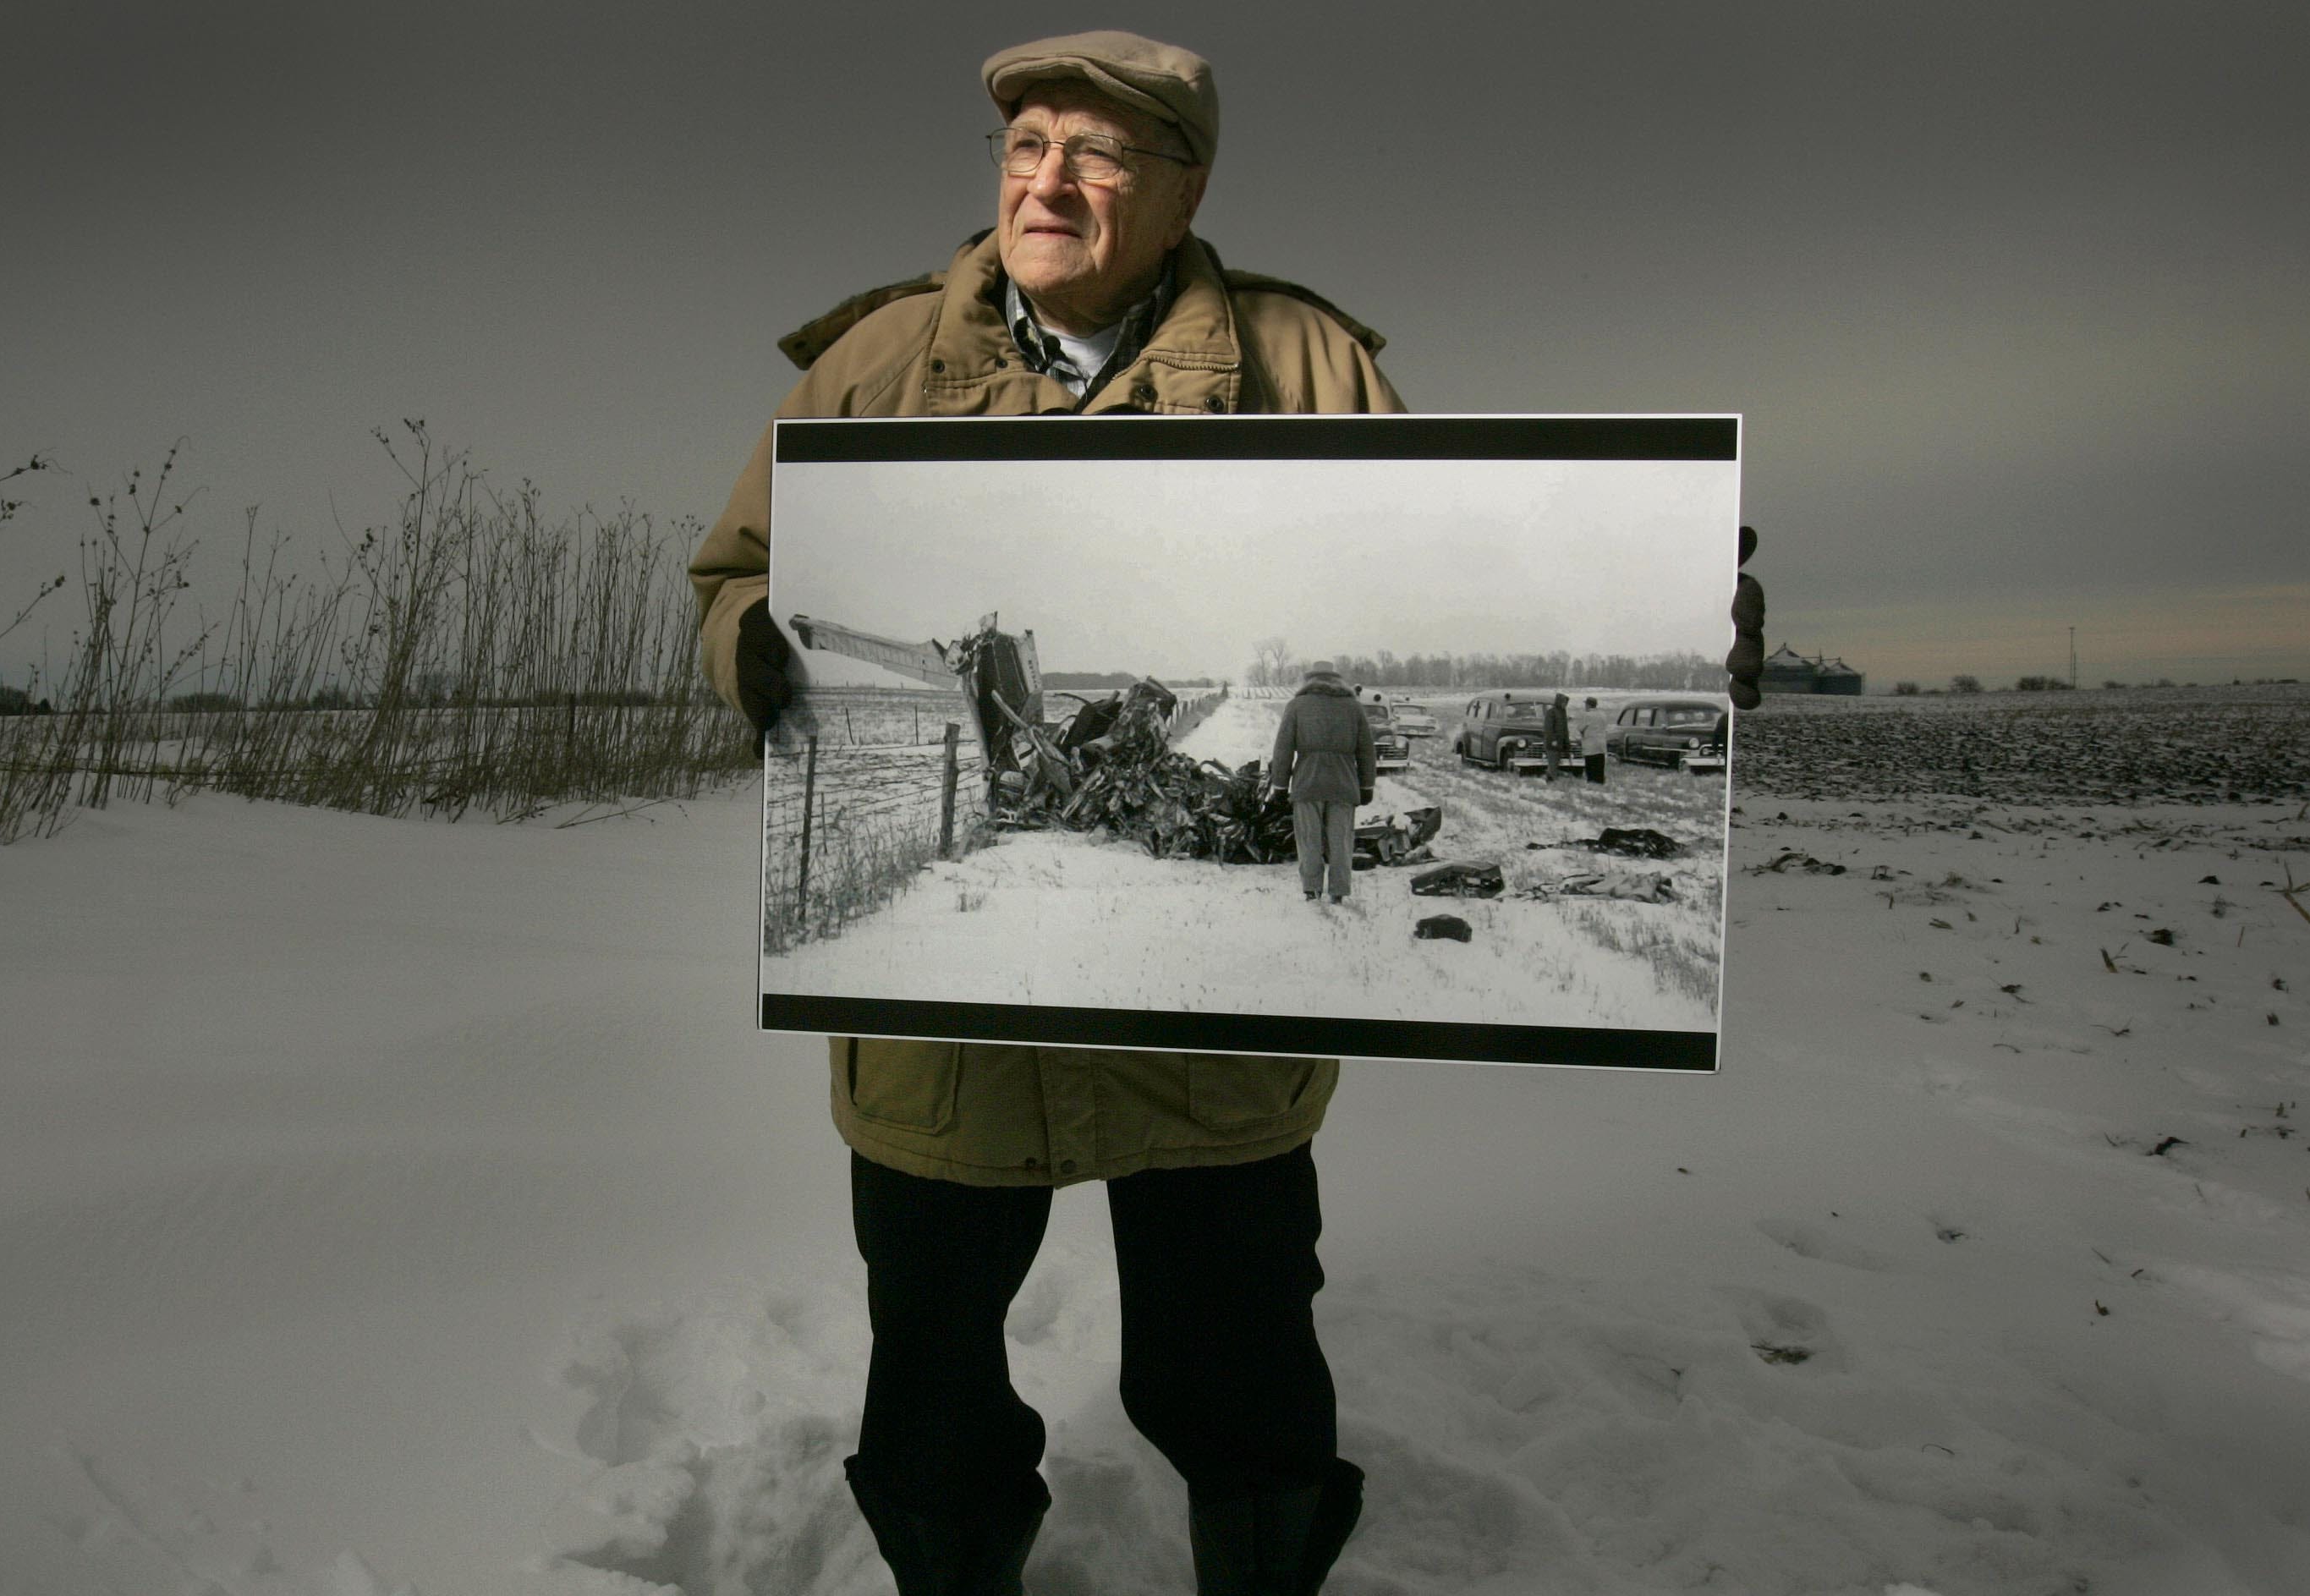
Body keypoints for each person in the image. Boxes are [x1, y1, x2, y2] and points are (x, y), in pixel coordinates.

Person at [686, 31, 1766, 1595]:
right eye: (1028, 142)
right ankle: (952, 1560)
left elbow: (1466, 570)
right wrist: (751, 647)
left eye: (1098, 151)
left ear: (1185, 186)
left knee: (1239, 1352)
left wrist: (1669, 609)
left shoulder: (1307, 360)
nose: (1046, 176)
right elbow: (734, 576)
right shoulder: (871, 367)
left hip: (1217, 1041)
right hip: (943, 1042)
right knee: (928, 1357)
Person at [1267, 661, 1378, 903]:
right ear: (1337, 680)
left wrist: (1279, 786)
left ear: (1309, 680)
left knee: (1309, 839)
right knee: (1341, 841)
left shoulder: (1297, 706)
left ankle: (1312, 890)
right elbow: (1367, 751)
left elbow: (1283, 749)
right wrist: (1367, 786)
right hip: (1344, 784)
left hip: (1308, 783)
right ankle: (1338, 892)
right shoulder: (1353, 707)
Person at [1542, 693, 1571, 782]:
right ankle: (1553, 781)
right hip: (1553, 744)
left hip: (1561, 743)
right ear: (1559, 702)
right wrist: (1553, 740)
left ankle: (1550, 780)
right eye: (1563, 702)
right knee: (1553, 763)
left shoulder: (1563, 712)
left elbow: (1565, 729)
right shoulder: (1551, 712)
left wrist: (1567, 742)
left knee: (1555, 764)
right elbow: (1548, 728)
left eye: (1566, 703)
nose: (1565, 704)